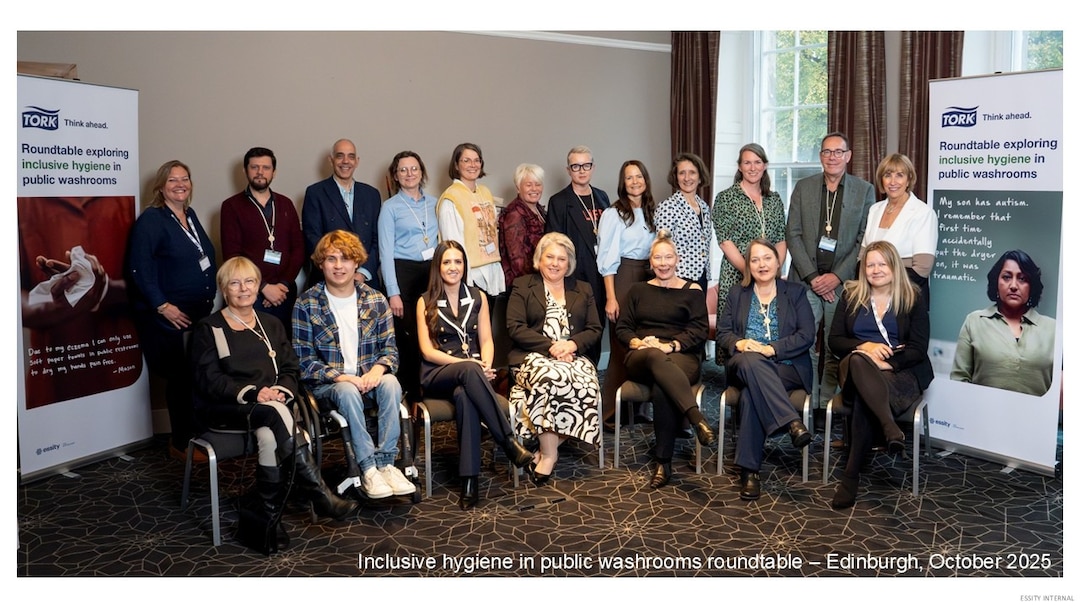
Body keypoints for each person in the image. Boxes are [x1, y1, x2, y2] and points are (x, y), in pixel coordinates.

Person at [191, 257, 356, 541]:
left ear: (257, 286)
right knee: (275, 414)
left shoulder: (271, 324)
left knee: (269, 435)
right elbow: (209, 381)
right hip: (228, 409)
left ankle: (266, 520)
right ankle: (319, 494)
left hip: (272, 410)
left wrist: (282, 391)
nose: (243, 288)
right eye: (235, 283)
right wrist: (255, 393)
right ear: (223, 288)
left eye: (250, 281)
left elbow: (292, 367)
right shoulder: (210, 328)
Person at [292, 230, 416, 500]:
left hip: (369, 379)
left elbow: (390, 351)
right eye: (332, 259)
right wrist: (339, 378)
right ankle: (368, 467)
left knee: (391, 382)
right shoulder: (306, 303)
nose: (339, 266)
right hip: (329, 387)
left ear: (356, 263)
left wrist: (377, 370)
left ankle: (386, 462)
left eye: (346, 259)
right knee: (348, 391)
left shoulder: (376, 300)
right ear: (321, 263)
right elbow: (304, 361)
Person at [415, 241, 534, 510]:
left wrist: (486, 364)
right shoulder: (425, 300)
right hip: (436, 374)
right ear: (438, 266)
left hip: (470, 377)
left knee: (465, 396)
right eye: (447, 262)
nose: (453, 267)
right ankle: (507, 441)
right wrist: (471, 364)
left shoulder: (478, 296)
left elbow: (487, 341)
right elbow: (427, 351)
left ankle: (469, 480)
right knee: (468, 370)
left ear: (464, 266)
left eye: (458, 262)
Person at [828, 240, 932, 509]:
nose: (875, 270)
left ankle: (850, 478)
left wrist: (891, 364)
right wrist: (864, 346)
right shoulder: (851, 295)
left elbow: (919, 349)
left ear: (894, 267)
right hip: (854, 369)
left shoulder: (913, 297)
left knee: (866, 397)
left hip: (899, 373)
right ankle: (889, 428)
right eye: (870, 264)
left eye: (882, 264)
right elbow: (835, 341)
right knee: (861, 362)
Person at [127, 160, 217, 461]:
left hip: (197, 313)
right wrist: (163, 306)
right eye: (173, 179)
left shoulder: (188, 216)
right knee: (180, 379)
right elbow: (139, 268)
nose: (180, 184)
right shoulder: (152, 220)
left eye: (185, 178)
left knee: (196, 376)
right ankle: (181, 443)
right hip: (170, 317)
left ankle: (197, 436)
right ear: (161, 186)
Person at [716, 239, 814, 500]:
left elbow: (807, 335)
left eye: (767, 258)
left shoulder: (795, 292)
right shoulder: (738, 293)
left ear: (778, 261)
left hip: (786, 366)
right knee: (750, 360)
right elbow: (723, 333)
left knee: (750, 394)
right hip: (744, 362)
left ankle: (749, 472)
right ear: (748, 266)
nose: (762, 264)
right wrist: (740, 342)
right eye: (755, 260)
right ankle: (791, 421)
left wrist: (772, 349)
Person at [615, 231, 714, 490]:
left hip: (682, 355)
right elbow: (623, 328)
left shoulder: (692, 290)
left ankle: (663, 462)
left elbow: (699, 330)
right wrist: (639, 342)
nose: (663, 263)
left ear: (677, 259)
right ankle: (696, 418)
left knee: (663, 385)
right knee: (655, 358)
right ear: (650, 261)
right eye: (657, 257)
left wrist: (670, 345)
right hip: (642, 355)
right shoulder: (638, 290)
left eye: (668, 257)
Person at [786, 132, 876, 411]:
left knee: (836, 346)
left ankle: (829, 405)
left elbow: (864, 238)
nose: (832, 157)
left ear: (848, 156)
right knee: (803, 343)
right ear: (821, 156)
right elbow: (793, 234)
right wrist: (813, 278)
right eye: (827, 152)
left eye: (838, 152)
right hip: (806, 280)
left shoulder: (864, 190)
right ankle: (808, 403)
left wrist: (836, 277)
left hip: (843, 283)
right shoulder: (804, 187)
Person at [506, 232, 602, 486]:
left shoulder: (583, 289)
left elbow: (594, 329)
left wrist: (571, 344)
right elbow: (515, 327)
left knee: (586, 383)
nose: (555, 263)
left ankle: (548, 445)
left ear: (569, 263)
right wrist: (552, 347)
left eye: (562, 258)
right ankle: (549, 454)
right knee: (552, 377)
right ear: (540, 258)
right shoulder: (523, 285)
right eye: (550, 257)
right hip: (532, 358)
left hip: (573, 356)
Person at [596, 160, 658, 428]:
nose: (635, 182)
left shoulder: (654, 210)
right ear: (623, 183)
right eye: (629, 178)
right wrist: (611, 296)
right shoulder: (614, 213)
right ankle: (611, 413)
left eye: (639, 176)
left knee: (645, 343)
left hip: (650, 278)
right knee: (623, 344)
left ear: (646, 179)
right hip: (623, 276)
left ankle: (639, 409)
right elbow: (606, 257)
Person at [436, 143, 508, 367]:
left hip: (491, 270)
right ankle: (473, 373)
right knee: (471, 333)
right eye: (466, 160)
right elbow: (452, 245)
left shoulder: (484, 192)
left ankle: (486, 372)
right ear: (456, 165)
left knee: (487, 330)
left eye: (476, 160)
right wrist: (462, 277)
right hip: (471, 275)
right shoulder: (451, 198)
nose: (472, 164)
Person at [377, 151, 440, 405]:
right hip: (403, 272)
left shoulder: (435, 203)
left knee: (435, 330)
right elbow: (385, 252)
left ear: (422, 172)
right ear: (395, 175)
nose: (409, 174)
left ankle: (434, 389)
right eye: (403, 170)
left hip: (432, 272)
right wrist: (393, 292)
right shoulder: (389, 208)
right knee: (410, 335)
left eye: (414, 169)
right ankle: (412, 394)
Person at [219, 147, 304, 332]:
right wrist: (263, 287)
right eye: (254, 167)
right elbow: (232, 256)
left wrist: (282, 285)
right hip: (249, 294)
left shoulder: (285, 204)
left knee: (284, 348)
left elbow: (298, 249)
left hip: (285, 293)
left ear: (274, 172)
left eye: (266, 167)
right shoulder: (231, 206)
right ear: (245, 170)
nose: (260, 172)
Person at [951, 250, 1055, 397]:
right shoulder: (974, 321)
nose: (1013, 285)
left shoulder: (1054, 330)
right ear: (996, 282)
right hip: (983, 415)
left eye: (1022, 279)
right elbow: (959, 381)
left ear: (1031, 286)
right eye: (1006, 277)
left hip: (1037, 418)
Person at [545, 146, 610, 362]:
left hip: (601, 276)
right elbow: (554, 245)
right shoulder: (559, 201)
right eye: (576, 166)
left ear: (593, 167)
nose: (581, 170)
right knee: (575, 330)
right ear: (568, 169)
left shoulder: (602, 197)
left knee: (597, 326)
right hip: (575, 277)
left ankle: (592, 374)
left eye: (586, 165)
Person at [712, 144, 788, 325]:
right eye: (747, 163)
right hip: (737, 273)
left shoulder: (774, 199)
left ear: (765, 165)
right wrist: (750, 271)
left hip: (768, 277)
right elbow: (725, 241)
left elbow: (781, 239)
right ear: (740, 166)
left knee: (766, 325)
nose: (753, 168)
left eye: (757, 162)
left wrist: (774, 269)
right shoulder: (726, 198)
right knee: (735, 325)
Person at [302, 139, 382, 292]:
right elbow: (312, 238)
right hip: (328, 280)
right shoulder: (315, 193)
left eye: (351, 156)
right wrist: (340, 271)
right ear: (331, 160)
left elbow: (377, 241)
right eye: (340, 156)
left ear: (357, 161)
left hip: (365, 281)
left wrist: (361, 273)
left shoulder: (371, 195)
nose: (346, 161)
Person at [861, 153, 938, 298]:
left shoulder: (923, 213)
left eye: (899, 175)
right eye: (888, 175)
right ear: (881, 180)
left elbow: (922, 268)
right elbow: (862, 258)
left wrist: (883, 288)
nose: (893, 181)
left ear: (909, 180)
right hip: (871, 294)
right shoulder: (874, 209)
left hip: (906, 296)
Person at [655, 152, 718, 286]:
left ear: (700, 177)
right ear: (676, 177)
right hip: (678, 277)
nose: (687, 178)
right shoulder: (668, 207)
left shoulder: (704, 207)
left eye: (692, 173)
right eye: (682, 173)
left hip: (702, 276)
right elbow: (662, 246)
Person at [498, 163, 547, 287]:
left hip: (542, 278)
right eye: (528, 185)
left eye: (538, 184)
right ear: (518, 188)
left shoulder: (540, 210)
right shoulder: (514, 213)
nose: (534, 189)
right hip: (526, 284)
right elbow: (517, 260)